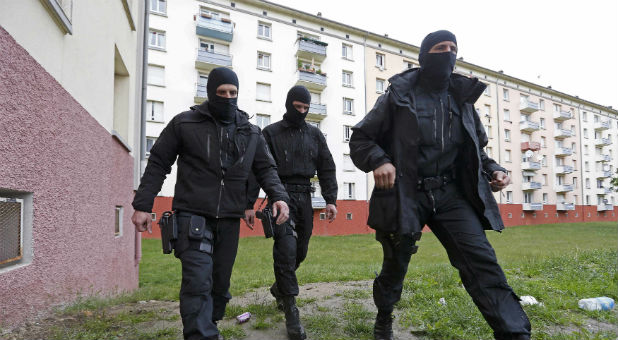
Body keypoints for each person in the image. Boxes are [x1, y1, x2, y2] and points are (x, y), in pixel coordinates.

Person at [349, 30, 531, 340]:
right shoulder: (398, 95)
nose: (448, 53)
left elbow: (476, 150)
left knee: (481, 260)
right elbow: (362, 138)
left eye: (453, 48)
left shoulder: (462, 100)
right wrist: (379, 160)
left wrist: (494, 169)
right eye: (440, 47)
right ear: (424, 55)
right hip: (406, 194)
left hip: (450, 194)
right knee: (396, 263)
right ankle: (384, 316)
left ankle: (514, 333)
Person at [131, 67, 290, 340]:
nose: (228, 98)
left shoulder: (251, 133)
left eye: (233, 93)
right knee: (197, 282)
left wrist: (279, 197)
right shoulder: (185, 124)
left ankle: (208, 324)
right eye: (222, 93)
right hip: (192, 216)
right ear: (210, 93)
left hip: (229, 219)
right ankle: (203, 335)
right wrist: (144, 204)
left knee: (219, 287)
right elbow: (158, 162)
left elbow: (266, 169)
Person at [246, 85, 338, 340]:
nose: (302, 112)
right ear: (289, 105)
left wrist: (331, 200)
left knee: (301, 251)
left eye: (306, 108)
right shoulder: (270, 133)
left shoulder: (315, 135)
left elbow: (327, 167)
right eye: (297, 107)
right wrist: (249, 203)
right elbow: (259, 169)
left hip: (306, 198)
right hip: (280, 197)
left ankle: (279, 288)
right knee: (285, 249)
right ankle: (291, 310)